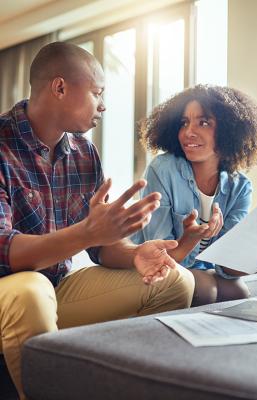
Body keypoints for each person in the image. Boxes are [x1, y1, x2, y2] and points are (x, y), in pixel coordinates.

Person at [0, 42, 194, 400]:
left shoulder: (84, 153)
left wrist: (135, 254)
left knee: (174, 281)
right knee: (29, 289)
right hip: (11, 290)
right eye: (96, 93)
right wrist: (87, 232)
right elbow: (5, 251)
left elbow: (102, 247)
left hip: (54, 289)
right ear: (59, 88)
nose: (103, 105)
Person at [132, 84, 257, 306]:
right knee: (205, 288)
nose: (188, 132)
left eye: (203, 122)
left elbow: (225, 261)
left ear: (229, 131)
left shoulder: (240, 187)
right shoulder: (162, 169)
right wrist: (192, 238)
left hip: (199, 268)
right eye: (184, 123)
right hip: (154, 263)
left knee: (237, 290)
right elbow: (162, 251)